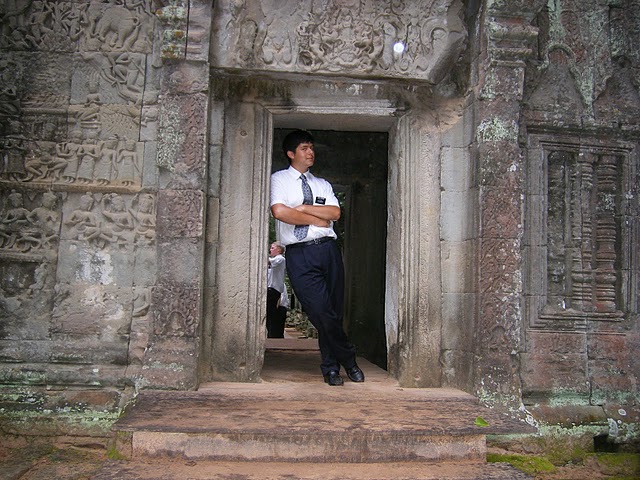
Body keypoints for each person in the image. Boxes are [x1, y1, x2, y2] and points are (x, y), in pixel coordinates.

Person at [270, 129, 364, 386]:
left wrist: (302, 208)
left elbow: (334, 213)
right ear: (291, 153)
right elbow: (280, 212)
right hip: (300, 254)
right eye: (304, 148)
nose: (310, 152)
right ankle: (349, 357)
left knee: (333, 311)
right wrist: (315, 218)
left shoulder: (322, 184)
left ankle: (331, 368)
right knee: (321, 312)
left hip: (328, 250)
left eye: (311, 147)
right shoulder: (279, 179)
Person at [266, 241, 287, 338]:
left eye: (272, 248)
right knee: (269, 314)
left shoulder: (280, 259)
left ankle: (273, 335)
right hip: (270, 289)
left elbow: (269, 262)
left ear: (279, 250)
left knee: (271, 313)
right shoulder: (274, 260)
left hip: (273, 290)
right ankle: (271, 334)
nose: (270, 250)